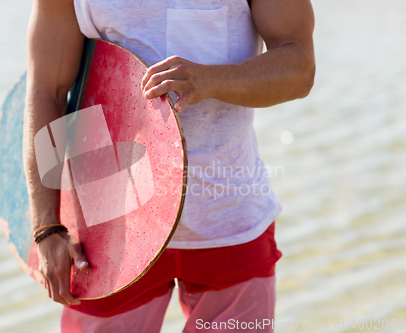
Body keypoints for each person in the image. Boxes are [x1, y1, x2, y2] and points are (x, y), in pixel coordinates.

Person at [23, 0, 315, 332]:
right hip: (107, 231)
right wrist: (46, 226)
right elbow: (47, 90)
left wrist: (210, 80)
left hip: (228, 218)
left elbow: (299, 66)